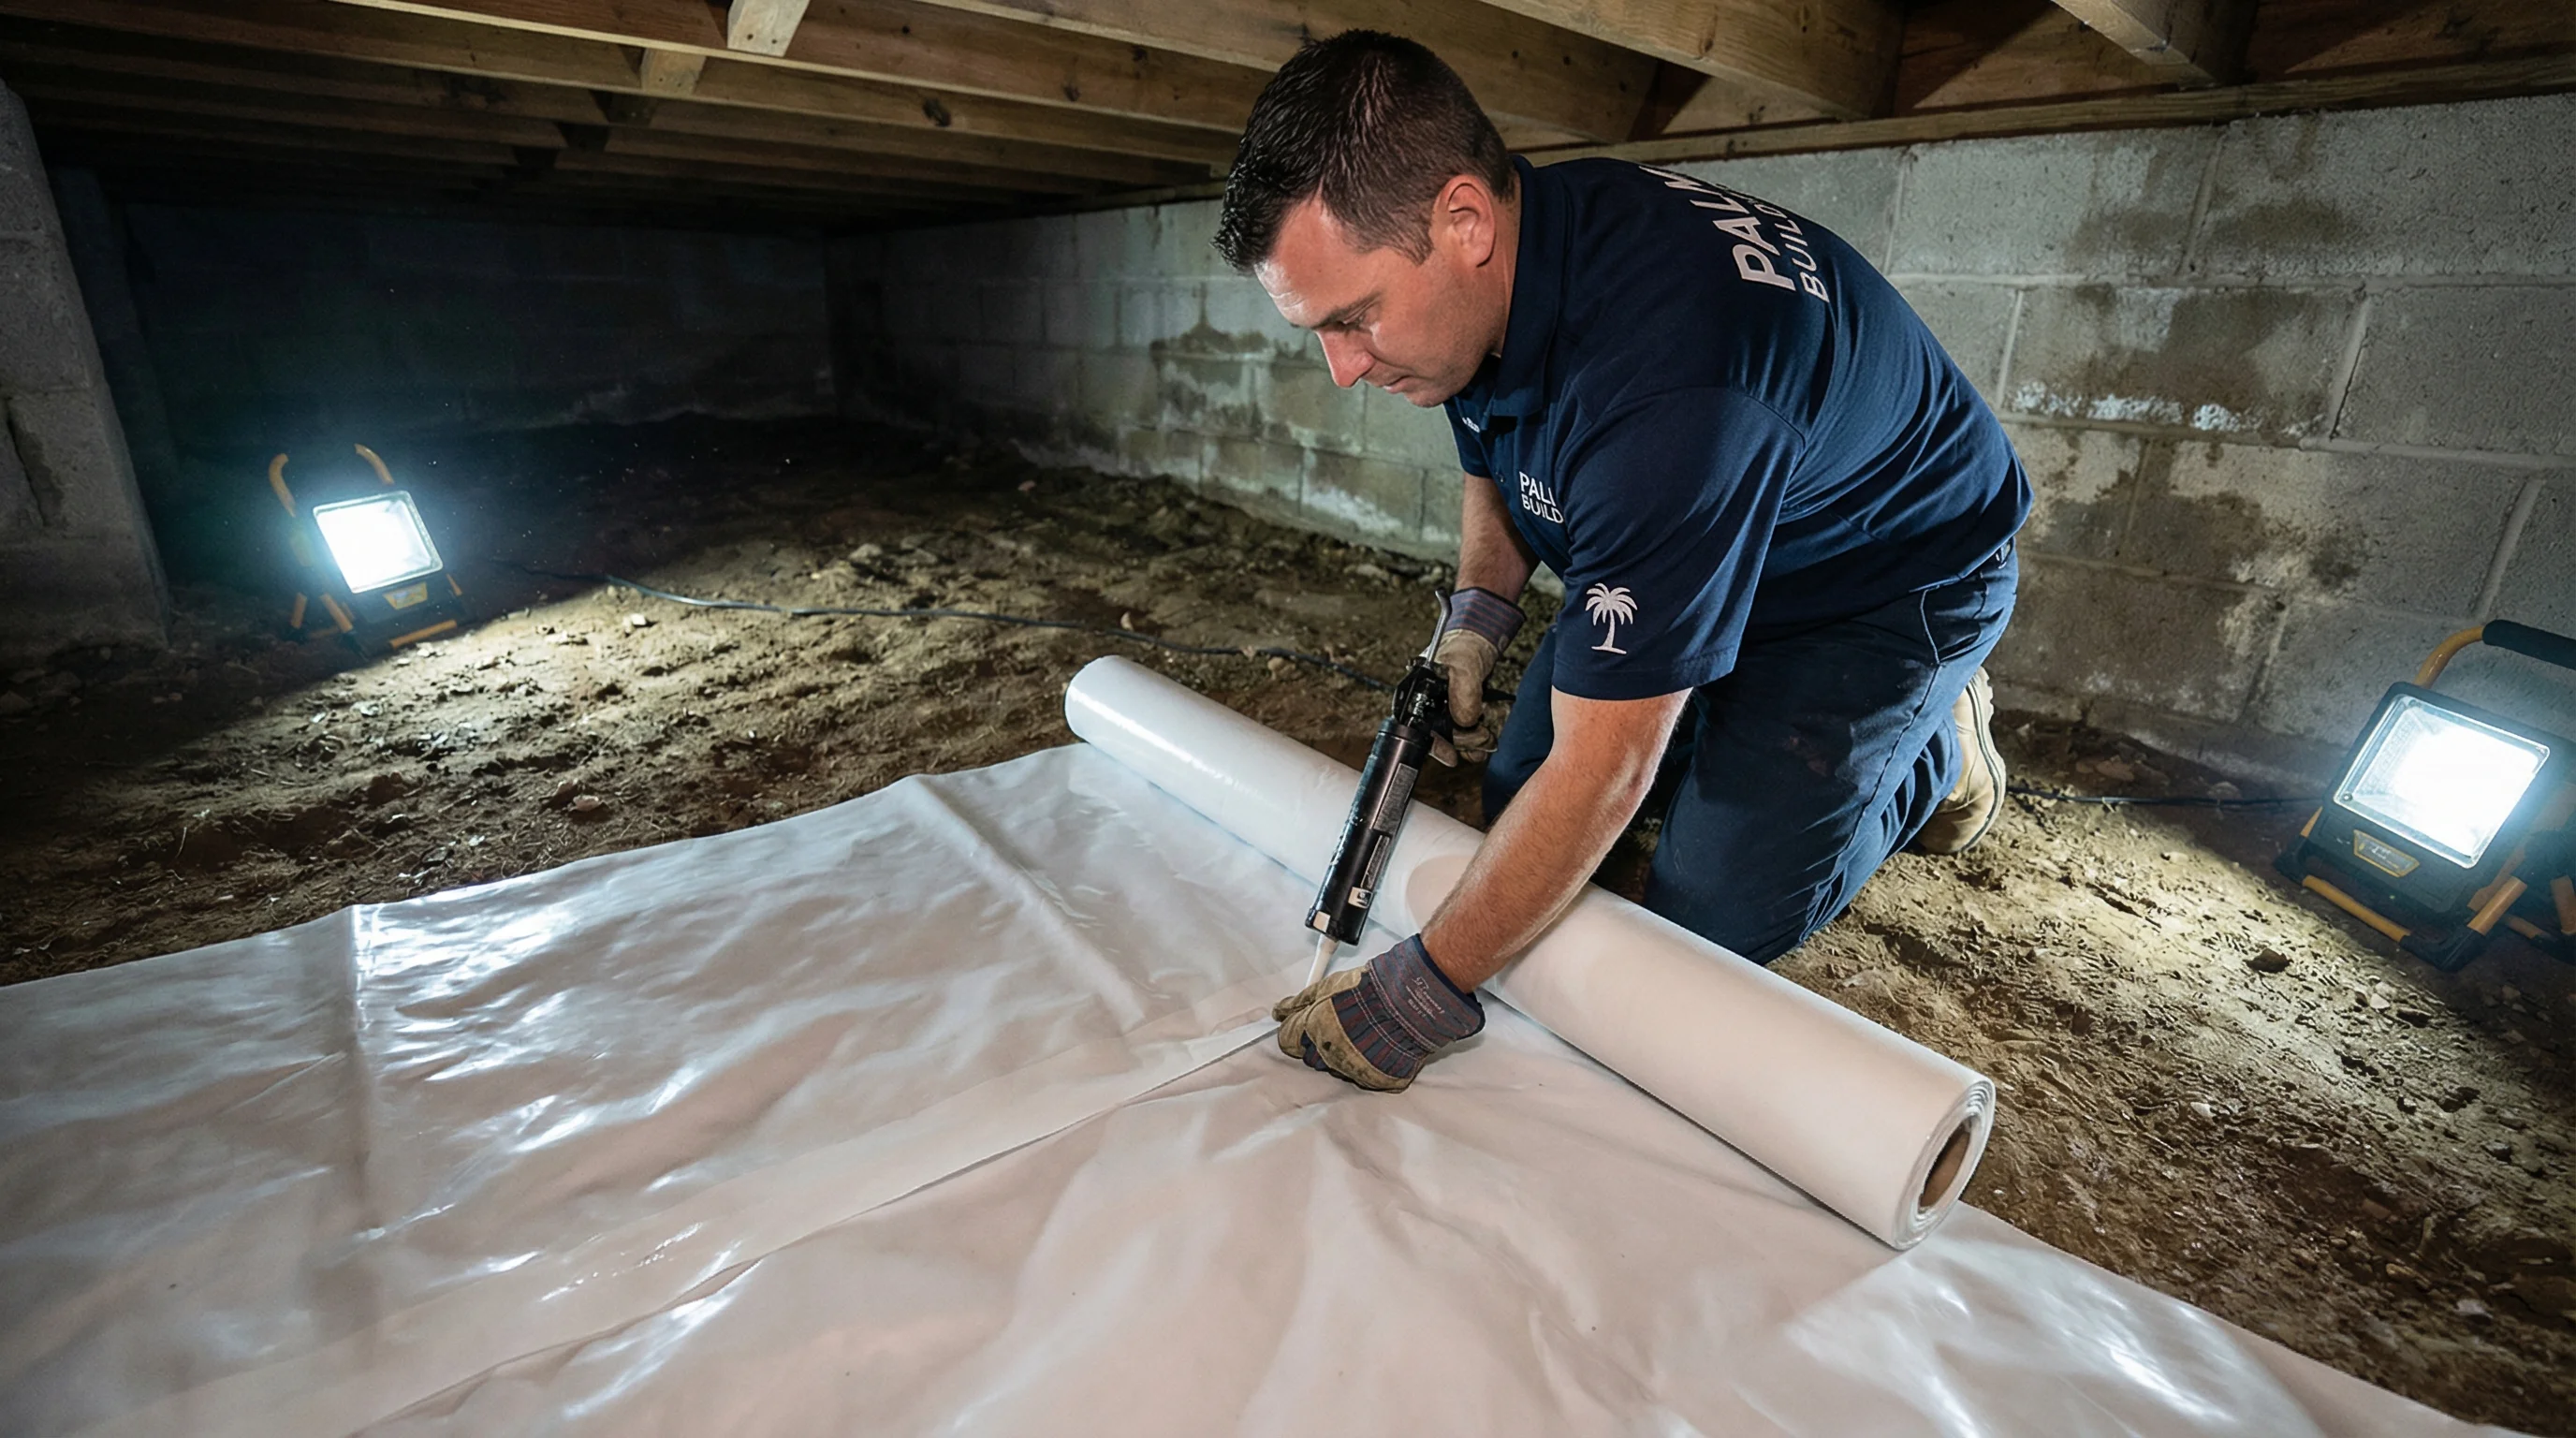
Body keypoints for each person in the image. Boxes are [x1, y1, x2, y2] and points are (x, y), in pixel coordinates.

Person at [1228, 33, 2029, 1093]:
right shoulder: (1504, 269)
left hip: (1877, 582)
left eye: (1353, 319)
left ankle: (1936, 748)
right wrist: (1476, 616)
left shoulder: (1668, 387)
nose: (1341, 368)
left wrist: (1423, 990)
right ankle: (1720, 700)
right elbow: (1493, 451)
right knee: (1517, 784)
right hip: (1701, 532)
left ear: (1462, 221)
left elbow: (1605, 768)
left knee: (1710, 915)